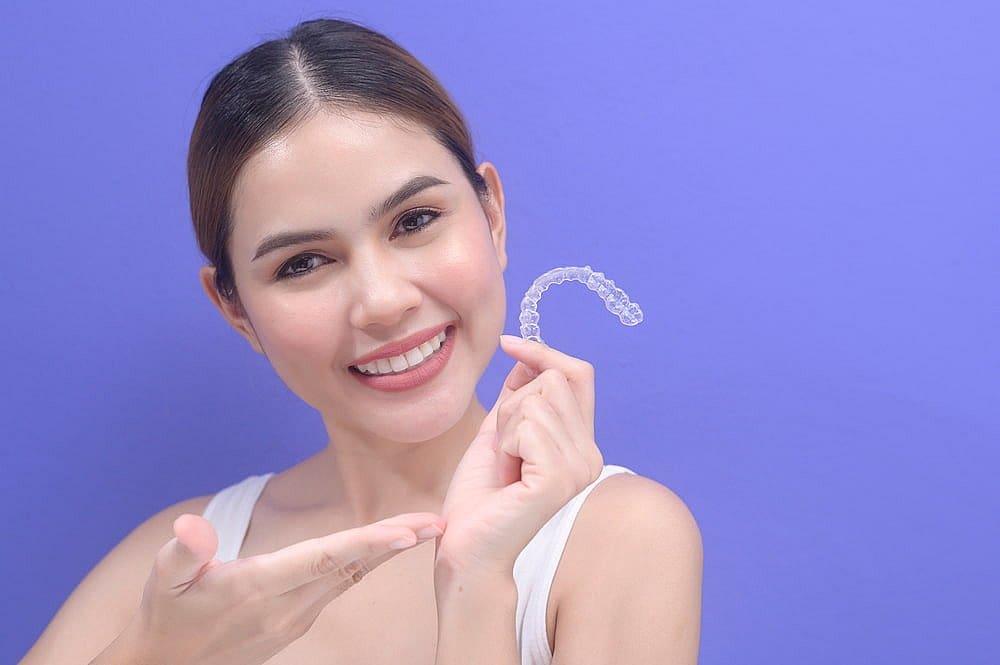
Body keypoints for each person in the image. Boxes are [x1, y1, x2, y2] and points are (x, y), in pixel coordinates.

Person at [19, 17, 702, 665]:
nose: (382, 302)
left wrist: (475, 583)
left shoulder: (620, 539)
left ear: (492, 214)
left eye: (416, 220)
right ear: (234, 310)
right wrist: (151, 652)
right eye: (303, 263)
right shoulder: (179, 570)